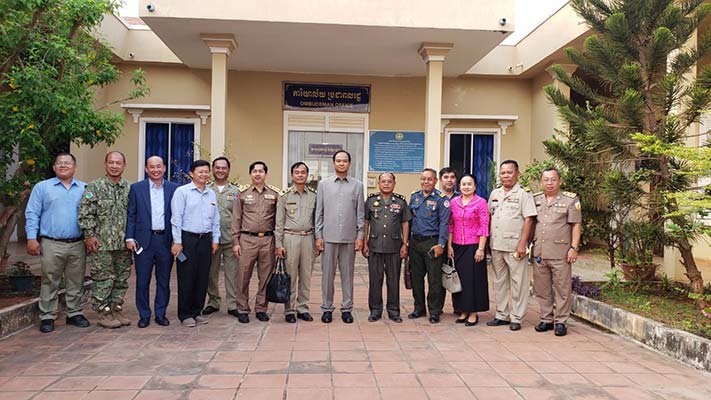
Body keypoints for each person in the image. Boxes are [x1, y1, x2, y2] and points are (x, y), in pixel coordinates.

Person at [26, 153, 89, 333]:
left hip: (77, 243)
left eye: (67, 163)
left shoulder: (84, 188)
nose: (63, 165)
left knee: (76, 280)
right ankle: (47, 316)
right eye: (59, 163)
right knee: (49, 280)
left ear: (75, 167)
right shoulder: (42, 187)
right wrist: (31, 237)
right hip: (51, 243)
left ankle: (74, 313)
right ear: (54, 167)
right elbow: (32, 213)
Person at [78, 151, 132, 329]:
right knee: (103, 278)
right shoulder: (94, 187)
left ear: (124, 165)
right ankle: (103, 311)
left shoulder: (129, 188)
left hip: (123, 243)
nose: (114, 166)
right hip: (101, 243)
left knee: (121, 278)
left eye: (118, 163)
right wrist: (89, 235)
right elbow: (85, 213)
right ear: (105, 164)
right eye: (111, 162)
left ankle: (116, 308)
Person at [126, 156, 178, 328]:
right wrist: (129, 237)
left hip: (165, 240)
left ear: (164, 168)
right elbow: (131, 214)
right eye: (152, 167)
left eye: (159, 166)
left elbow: (178, 216)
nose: (156, 170)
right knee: (142, 280)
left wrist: (177, 240)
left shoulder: (174, 189)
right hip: (143, 242)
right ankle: (144, 314)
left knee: (163, 280)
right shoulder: (136, 188)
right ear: (146, 169)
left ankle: (160, 313)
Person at [315, 150, 365, 324]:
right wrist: (318, 236)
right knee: (327, 276)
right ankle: (327, 308)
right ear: (333, 163)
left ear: (349, 163)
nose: (341, 163)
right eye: (338, 161)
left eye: (344, 161)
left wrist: (360, 236)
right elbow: (319, 213)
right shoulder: (323, 185)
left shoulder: (357, 185)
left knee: (347, 276)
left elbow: (360, 213)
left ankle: (347, 309)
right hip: (328, 238)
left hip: (349, 238)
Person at [487, 160, 537, 331]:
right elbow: (490, 217)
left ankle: (516, 317)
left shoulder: (524, 194)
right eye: (503, 173)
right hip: (497, 245)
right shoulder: (495, 193)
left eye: (509, 172)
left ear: (517, 174)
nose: (506, 176)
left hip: (515, 246)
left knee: (518, 283)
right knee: (499, 282)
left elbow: (529, 219)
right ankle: (502, 314)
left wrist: (523, 243)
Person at [532, 167, 582, 337]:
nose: (549, 183)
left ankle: (561, 321)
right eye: (546, 180)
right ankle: (546, 319)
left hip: (560, 252)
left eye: (553, 179)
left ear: (560, 181)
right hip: (540, 251)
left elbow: (576, 225)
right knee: (542, 288)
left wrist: (574, 248)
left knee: (562, 288)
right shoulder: (536, 199)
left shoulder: (570, 200)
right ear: (541, 182)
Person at [171, 160, 221, 327]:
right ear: (191, 173)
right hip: (187, 240)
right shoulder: (182, 192)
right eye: (200, 172)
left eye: (206, 171)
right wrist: (177, 241)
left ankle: (196, 311)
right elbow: (176, 218)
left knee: (202, 277)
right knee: (187, 277)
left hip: (205, 240)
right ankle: (185, 314)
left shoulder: (211, 194)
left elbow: (216, 218)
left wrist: (215, 239)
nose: (204, 174)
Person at [231, 161, 280, 323]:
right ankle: (242, 309)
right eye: (254, 171)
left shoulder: (274, 194)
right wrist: (235, 242)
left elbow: (278, 220)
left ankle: (261, 308)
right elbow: (236, 218)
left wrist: (278, 243)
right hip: (247, 240)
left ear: (266, 174)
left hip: (267, 240)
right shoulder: (241, 193)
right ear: (250, 174)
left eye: (261, 171)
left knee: (265, 277)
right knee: (243, 276)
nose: (258, 174)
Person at [362, 172, 411, 323]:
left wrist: (405, 244)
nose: (386, 184)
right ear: (379, 184)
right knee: (375, 281)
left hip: (394, 247)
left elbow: (405, 223)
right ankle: (375, 310)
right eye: (383, 181)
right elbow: (366, 222)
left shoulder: (401, 202)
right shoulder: (371, 201)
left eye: (389, 181)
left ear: (394, 183)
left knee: (393, 280)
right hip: (375, 246)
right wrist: (364, 242)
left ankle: (394, 311)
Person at [275, 162, 319, 323]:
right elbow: (279, 222)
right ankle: (290, 310)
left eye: (303, 172)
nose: (300, 175)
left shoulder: (314, 195)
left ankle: (302, 308)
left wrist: (318, 240)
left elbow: (317, 220)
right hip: (290, 238)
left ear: (307, 175)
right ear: (292, 175)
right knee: (291, 275)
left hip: (308, 238)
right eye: (297, 172)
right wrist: (278, 244)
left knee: (306, 275)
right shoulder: (284, 195)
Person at [408, 168, 450, 324]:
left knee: (434, 279)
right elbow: (409, 220)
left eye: (429, 179)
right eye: (423, 179)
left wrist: (441, 244)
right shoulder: (415, 196)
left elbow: (445, 223)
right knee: (416, 278)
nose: (426, 182)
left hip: (432, 243)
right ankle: (419, 308)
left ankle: (434, 311)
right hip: (415, 243)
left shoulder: (441, 199)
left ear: (435, 181)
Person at [446, 174, 490, 326]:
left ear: (475, 186)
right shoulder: (454, 202)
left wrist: (481, 249)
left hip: (474, 246)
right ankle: (462, 310)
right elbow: (451, 225)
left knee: (473, 280)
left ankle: (473, 312)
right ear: (459, 186)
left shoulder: (481, 202)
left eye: (469, 184)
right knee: (460, 280)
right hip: (457, 245)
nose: (466, 187)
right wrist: (449, 246)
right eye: (463, 184)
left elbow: (484, 226)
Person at [203, 157, 240, 316]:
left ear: (228, 170)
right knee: (211, 272)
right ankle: (213, 301)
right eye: (217, 167)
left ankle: (232, 304)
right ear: (213, 169)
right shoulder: (206, 189)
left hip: (230, 238)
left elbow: (239, 215)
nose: (220, 171)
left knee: (232, 273)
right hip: (211, 239)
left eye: (224, 168)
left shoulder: (236, 191)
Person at [439, 166, 460, 314]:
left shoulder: (461, 198)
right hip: (439, 242)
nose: (449, 180)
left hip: (458, 242)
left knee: (458, 275)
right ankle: (437, 308)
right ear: (440, 180)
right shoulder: (436, 198)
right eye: (446, 177)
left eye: (452, 177)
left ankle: (459, 307)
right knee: (438, 275)